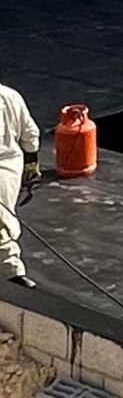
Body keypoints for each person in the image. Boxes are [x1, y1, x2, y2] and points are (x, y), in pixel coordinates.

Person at [0, 83, 40, 286]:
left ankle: (13, 271)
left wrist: (31, 163)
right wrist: (31, 162)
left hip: (4, 167)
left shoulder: (8, 97)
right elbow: (30, 134)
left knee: (1, 221)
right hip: (11, 165)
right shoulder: (11, 95)